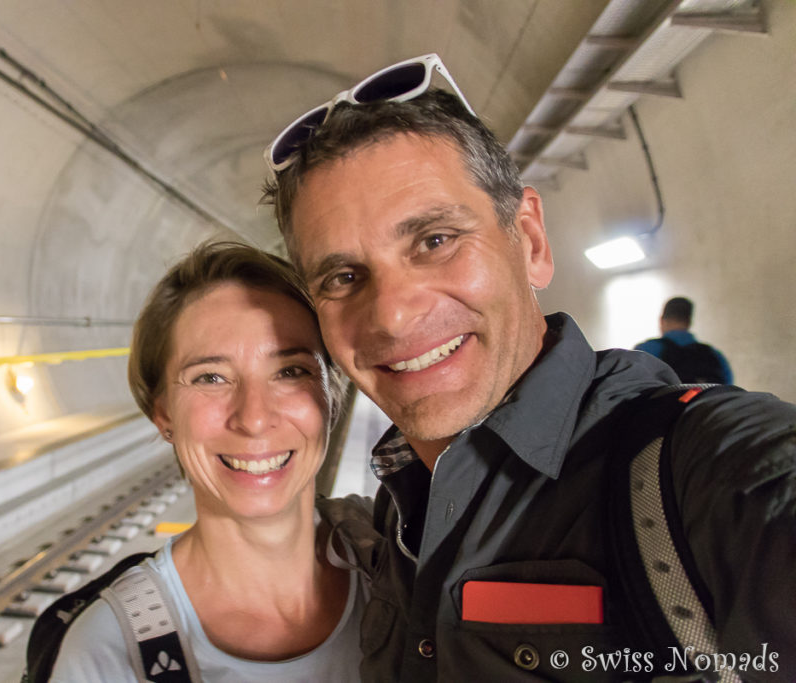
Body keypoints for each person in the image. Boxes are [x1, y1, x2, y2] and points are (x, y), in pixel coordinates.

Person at [262, 53, 796, 681]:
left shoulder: (703, 477)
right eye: (345, 277)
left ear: (532, 243)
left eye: (435, 241)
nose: (394, 318)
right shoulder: (398, 514)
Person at [49, 242, 366, 682]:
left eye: (290, 371)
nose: (254, 418)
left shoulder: (406, 572)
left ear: (331, 396)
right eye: (211, 378)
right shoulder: (108, 655)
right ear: (163, 414)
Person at [635, 296, 733, 384]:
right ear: (689, 322)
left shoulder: (645, 351)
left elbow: (630, 387)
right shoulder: (715, 355)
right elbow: (726, 390)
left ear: (661, 320)